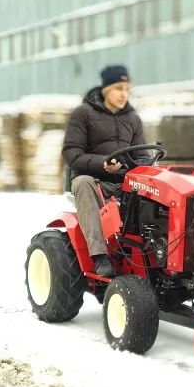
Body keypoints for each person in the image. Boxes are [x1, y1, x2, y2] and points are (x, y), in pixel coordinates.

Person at [62, 64, 150, 278]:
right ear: (106, 89)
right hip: (94, 181)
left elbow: (143, 157)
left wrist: (136, 168)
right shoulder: (83, 114)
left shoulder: (133, 118)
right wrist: (103, 163)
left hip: (124, 181)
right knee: (82, 183)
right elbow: (71, 153)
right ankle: (100, 255)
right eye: (119, 88)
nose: (124, 94)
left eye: (127, 89)